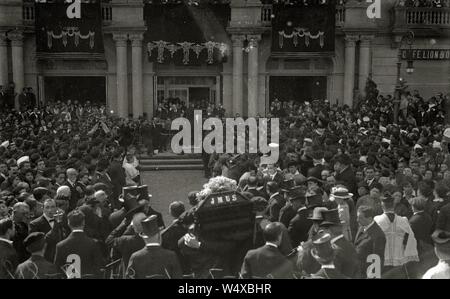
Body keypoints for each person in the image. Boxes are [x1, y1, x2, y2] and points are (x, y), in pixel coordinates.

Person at [374, 193, 419, 278]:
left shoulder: (377, 220)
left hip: (382, 260)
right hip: (399, 259)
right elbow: (410, 239)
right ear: (393, 206)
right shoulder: (403, 221)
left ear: (382, 206)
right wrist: (408, 254)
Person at [54, 210, 105, 279]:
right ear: (83, 223)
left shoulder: (60, 246)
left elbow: (57, 271)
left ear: (68, 223)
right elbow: (98, 268)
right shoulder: (93, 243)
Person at [354, 205, 386, 278]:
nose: (357, 220)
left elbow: (377, 261)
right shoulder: (362, 227)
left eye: (360, 218)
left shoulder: (378, 235)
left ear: (369, 218)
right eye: (357, 217)